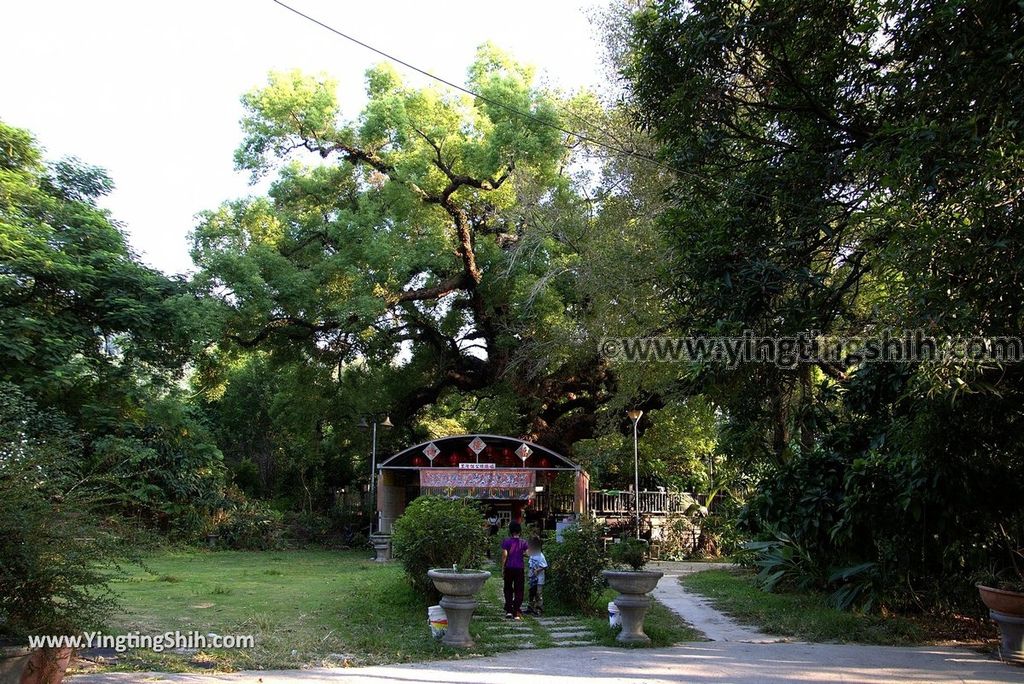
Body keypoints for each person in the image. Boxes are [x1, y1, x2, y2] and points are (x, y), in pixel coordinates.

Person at [500, 521, 529, 619]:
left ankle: (508, 610)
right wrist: (522, 553)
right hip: (519, 568)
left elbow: (504, 555)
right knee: (519, 589)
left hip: (509, 567)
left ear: (510, 531)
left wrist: (502, 568)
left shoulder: (506, 541)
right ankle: (516, 611)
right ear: (520, 531)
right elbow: (528, 553)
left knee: (507, 588)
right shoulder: (524, 542)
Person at [526, 536, 547, 616]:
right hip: (532, 578)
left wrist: (537, 570)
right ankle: (530, 608)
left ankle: (539, 609)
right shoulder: (532, 554)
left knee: (538, 594)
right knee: (531, 593)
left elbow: (544, 565)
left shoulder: (541, 556)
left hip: (539, 579)